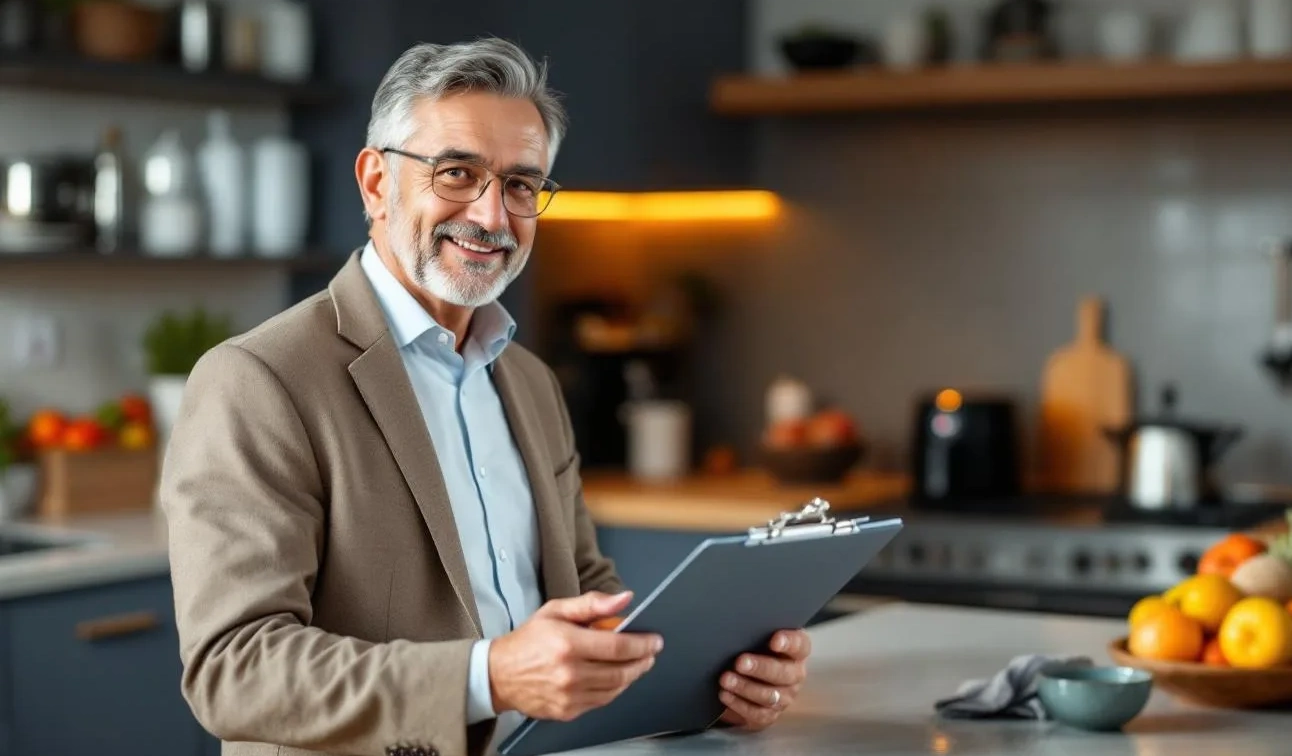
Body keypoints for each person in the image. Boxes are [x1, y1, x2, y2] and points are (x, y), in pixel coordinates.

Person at [160, 37, 812, 756]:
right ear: (377, 183)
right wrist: (487, 677)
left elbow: (584, 592)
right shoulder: (259, 380)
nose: (494, 217)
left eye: (522, 185)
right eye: (457, 173)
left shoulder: (529, 380)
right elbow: (234, 671)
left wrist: (711, 682)